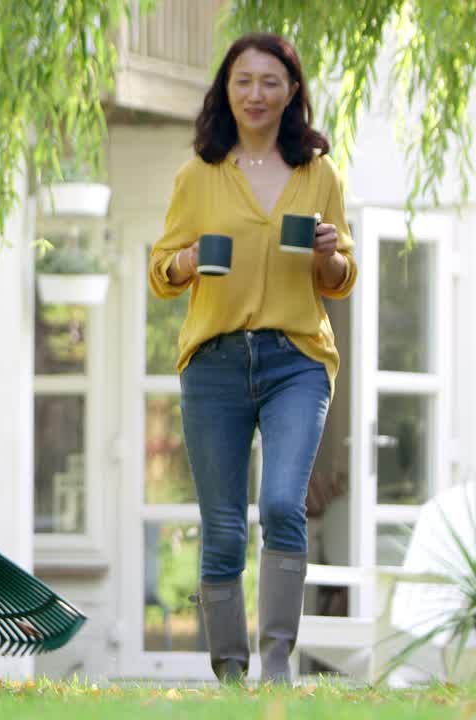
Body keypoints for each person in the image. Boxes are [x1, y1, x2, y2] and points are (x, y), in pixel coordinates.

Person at [148, 32, 357, 684]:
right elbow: (161, 271)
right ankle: (231, 676)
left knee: (283, 504)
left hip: (296, 357)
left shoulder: (318, 174)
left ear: (292, 91)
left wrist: (326, 252)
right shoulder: (199, 175)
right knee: (223, 528)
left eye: (271, 81)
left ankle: (276, 666)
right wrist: (184, 261)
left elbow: (342, 275)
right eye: (244, 81)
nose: (256, 94)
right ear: (226, 89)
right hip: (214, 362)